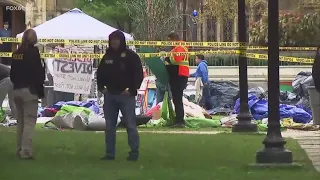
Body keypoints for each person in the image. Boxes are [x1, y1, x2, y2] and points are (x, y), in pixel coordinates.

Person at [97, 30, 143, 161]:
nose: (114, 42)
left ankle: (134, 152)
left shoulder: (131, 56)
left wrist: (131, 89)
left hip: (126, 96)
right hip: (110, 95)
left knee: (130, 125)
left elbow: (138, 74)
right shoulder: (107, 57)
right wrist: (102, 88)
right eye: (112, 40)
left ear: (122, 41)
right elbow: (100, 74)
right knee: (110, 127)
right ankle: (109, 153)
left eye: (117, 40)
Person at [10, 29, 45, 159]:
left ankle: (19, 149)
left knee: (21, 123)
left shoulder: (16, 53)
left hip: (16, 90)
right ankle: (26, 152)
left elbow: (12, 74)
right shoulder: (33, 52)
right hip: (29, 91)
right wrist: (38, 89)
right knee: (29, 122)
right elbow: (38, 73)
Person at [164, 31, 189, 127]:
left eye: (170, 41)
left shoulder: (179, 47)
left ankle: (179, 121)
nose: (169, 43)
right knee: (176, 99)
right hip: (179, 75)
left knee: (177, 99)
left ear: (173, 39)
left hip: (179, 75)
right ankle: (178, 120)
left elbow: (176, 60)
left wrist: (167, 59)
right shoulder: (177, 48)